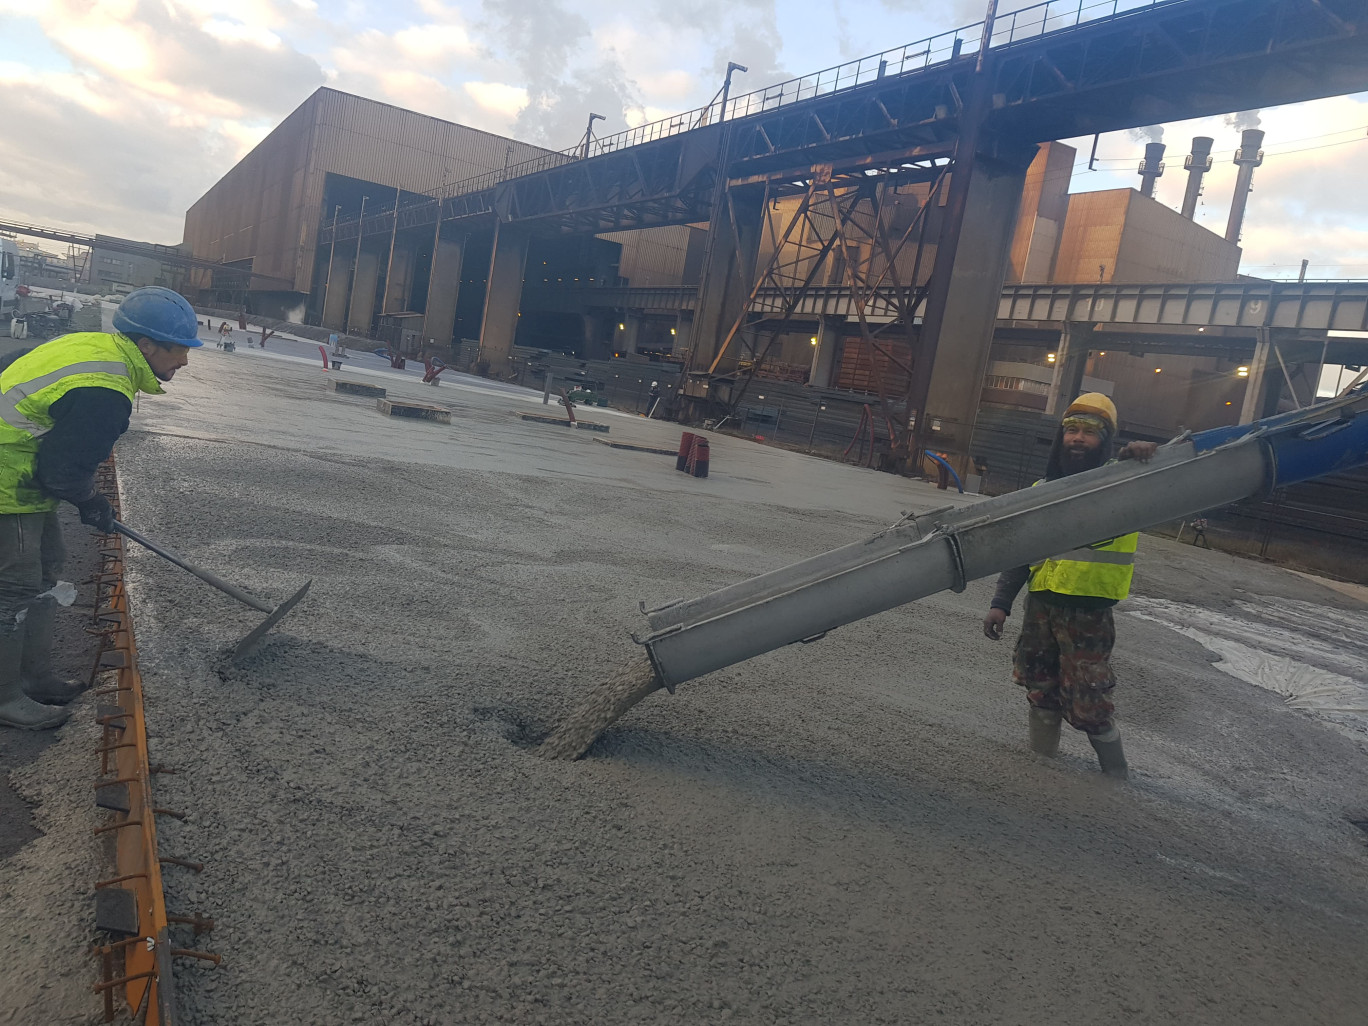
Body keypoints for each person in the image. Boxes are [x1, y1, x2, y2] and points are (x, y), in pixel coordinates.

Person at [0, 286, 201, 730]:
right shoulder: (106, 390)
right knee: (14, 587)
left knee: (47, 567)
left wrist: (85, 496)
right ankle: (6, 696)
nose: (184, 362)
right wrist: (92, 503)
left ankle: (33, 677)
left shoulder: (96, 347)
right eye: (179, 350)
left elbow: (10, 365)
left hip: (23, 472)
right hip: (7, 477)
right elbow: (63, 469)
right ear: (146, 345)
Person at [981, 393, 1158, 779]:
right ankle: (1043, 770)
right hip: (1041, 607)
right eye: (1071, 431)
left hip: (1088, 613)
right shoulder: (1043, 486)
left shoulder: (1124, 479)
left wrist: (1142, 455)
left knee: (1090, 700)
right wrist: (1001, 602)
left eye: (1089, 434)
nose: (1078, 439)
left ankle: (1117, 779)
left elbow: (1165, 477)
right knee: (1039, 687)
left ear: (1106, 441)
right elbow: (1019, 552)